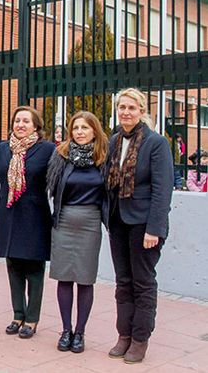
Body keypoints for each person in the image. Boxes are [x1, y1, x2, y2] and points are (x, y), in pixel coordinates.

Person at [106, 88, 173, 364]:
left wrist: (154, 229)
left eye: (131, 108)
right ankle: (124, 335)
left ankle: (140, 338)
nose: (125, 112)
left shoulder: (155, 143)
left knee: (143, 282)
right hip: (118, 221)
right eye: (122, 107)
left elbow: (162, 189)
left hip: (144, 224)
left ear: (142, 111)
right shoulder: (113, 141)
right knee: (123, 281)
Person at [0, 106, 55, 339]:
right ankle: (18, 314)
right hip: (8, 213)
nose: (21, 125)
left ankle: (32, 318)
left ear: (36, 126)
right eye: (17, 121)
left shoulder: (47, 149)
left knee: (34, 268)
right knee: (13, 265)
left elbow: (55, 179)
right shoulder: (5, 148)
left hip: (34, 216)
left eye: (26, 121)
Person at [46, 111, 109, 353]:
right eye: (76, 128)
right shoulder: (61, 156)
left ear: (95, 131)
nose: (80, 132)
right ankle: (65, 330)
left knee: (85, 278)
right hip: (64, 220)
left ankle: (80, 332)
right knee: (64, 276)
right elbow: (51, 189)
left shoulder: (103, 157)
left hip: (90, 222)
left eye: (85, 128)